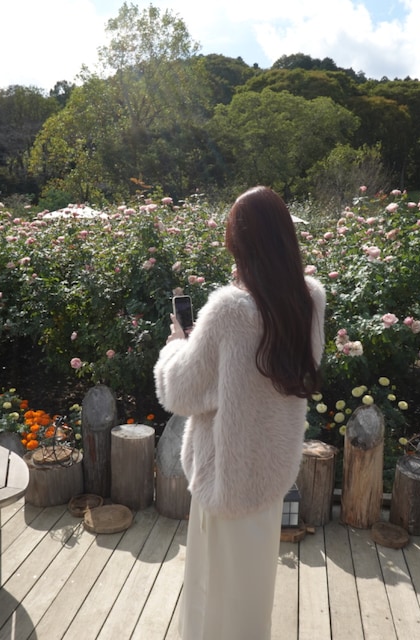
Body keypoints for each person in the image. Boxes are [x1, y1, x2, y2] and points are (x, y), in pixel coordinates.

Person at [154, 186, 326, 640]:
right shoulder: (308, 299)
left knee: (212, 597)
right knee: (252, 594)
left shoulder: (229, 310)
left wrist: (177, 345)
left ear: (241, 245)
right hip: (269, 476)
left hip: (226, 478)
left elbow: (180, 391)